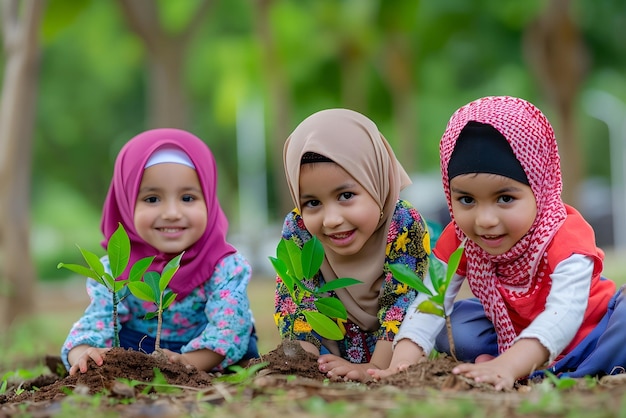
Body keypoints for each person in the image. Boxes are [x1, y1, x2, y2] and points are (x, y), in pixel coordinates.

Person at [369, 95, 626, 390]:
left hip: (592, 333)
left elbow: (565, 313)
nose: (485, 220)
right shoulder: (462, 237)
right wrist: (400, 366)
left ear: (539, 187)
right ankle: (520, 363)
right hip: (514, 334)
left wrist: (508, 364)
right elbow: (430, 301)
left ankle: (560, 368)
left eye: (505, 198)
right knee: (456, 326)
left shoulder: (564, 232)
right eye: (467, 200)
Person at [61, 128, 258, 375]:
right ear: (125, 203)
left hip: (210, 357)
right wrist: (83, 353)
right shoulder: (116, 269)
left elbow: (229, 329)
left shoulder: (224, 266)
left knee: (242, 340)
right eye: (152, 199)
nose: (172, 213)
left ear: (209, 199)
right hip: (135, 356)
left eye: (187, 198)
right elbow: (95, 322)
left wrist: (186, 363)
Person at [275, 108, 431, 382]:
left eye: (346, 195)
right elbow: (297, 299)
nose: (332, 219)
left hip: (395, 350)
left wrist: (374, 368)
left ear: (377, 181)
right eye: (312, 203)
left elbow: (402, 301)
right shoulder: (298, 227)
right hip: (328, 349)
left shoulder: (403, 222)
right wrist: (300, 366)